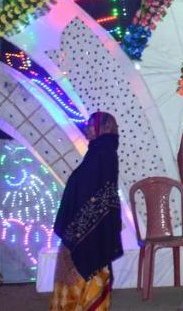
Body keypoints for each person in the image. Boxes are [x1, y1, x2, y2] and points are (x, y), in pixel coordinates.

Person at [51, 112, 122, 311]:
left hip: (92, 221)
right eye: (88, 125)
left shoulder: (103, 151)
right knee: (86, 260)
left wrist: (80, 221)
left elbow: (97, 189)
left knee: (86, 259)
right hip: (91, 219)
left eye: (92, 125)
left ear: (104, 127)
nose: (88, 129)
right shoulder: (101, 149)